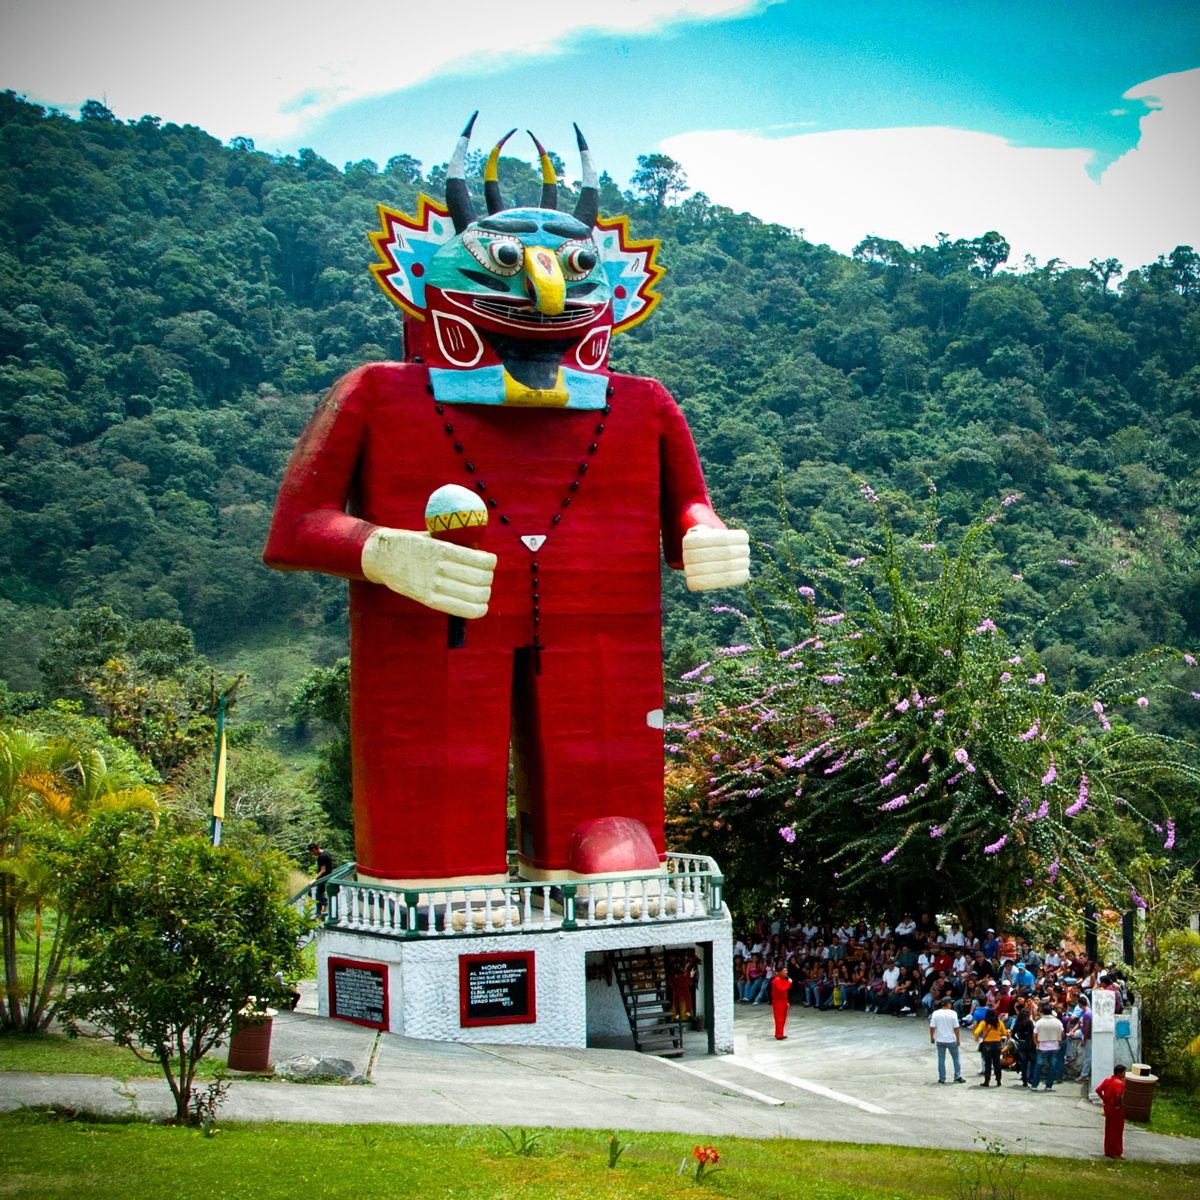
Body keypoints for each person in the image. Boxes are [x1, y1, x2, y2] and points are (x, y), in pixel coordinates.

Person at [930, 997, 966, 1084]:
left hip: (940, 1040)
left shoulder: (935, 1013)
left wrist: (932, 1037)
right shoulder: (953, 1013)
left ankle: (942, 1078)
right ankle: (957, 1076)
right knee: (956, 1058)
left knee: (941, 1059)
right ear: (948, 1004)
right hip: (951, 1040)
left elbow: (932, 1027)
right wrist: (958, 1039)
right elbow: (956, 1028)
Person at [1095, 1064, 1128, 1158]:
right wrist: (1120, 1105)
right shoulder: (1119, 1083)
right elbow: (1118, 1096)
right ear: (1119, 1073)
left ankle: (1108, 1151)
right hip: (1115, 1108)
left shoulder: (1107, 1080)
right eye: (1124, 1072)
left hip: (1107, 1107)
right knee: (1117, 1130)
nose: (1125, 1074)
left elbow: (1098, 1090)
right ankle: (1116, 1152)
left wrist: (1104, 1099)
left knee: (1109, 1129)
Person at [1030, 1003, 1064, 1091]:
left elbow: (1034, 1035)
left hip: (1042, 1046)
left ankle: (1034, 1085)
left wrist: (1036, 1044)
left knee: (1038, 1065)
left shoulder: (1039, 1022)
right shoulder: (1058, 1022)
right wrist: (1059, 1042)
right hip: (1054, 1046)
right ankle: (1049, 1086)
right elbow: (1062, 1033)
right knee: (1052, 1066)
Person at [973, 1006, 1006, 1086]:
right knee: (997, 1062)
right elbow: (1004, 1033)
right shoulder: (999, 1023)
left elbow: (976, 1032)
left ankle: (987, 1081)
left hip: (987, 1045)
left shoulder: (984, 1023)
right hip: (997, 1044)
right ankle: (998, 1080)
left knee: (987, 1063)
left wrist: (976, 1038)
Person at [308, 842, 333, 918]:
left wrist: (314, 879)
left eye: (312, 852)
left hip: (323, 878)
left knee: (312, 893)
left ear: (314, 849)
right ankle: (318, 912)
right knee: (319, 894)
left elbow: (323, 870)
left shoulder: (321, 857)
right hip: (327, 876)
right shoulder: (326, 853)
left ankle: (325, 902)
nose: (313, 854)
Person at [771, 964, 792, 1039]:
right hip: (778, 1001)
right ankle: (779, 1035)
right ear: (780, 972)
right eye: (784, 971)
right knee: (779, 1018)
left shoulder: (783, 979)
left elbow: (785, 992)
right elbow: (781, 989)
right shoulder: (776, 980)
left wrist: (787, 1001)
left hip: (783, 1000)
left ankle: (780, 1034)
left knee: (783, 1018)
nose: (786, 972)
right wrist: (789, 983)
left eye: (786, 970)